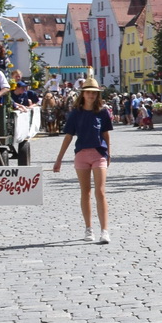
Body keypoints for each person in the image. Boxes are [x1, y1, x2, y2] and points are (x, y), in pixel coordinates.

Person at [52, 79, 114, 243]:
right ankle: (89, 229)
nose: (91, 95)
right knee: (85, 192)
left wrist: (109, 153)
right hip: (81, 155)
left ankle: (105, 231)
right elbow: (68, 137)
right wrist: (59, 159)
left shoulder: (103, 112)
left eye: (94, 93)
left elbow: (106, 134)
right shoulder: (75, 113)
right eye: (88, 92)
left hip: (99, 153)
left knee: (100, 191)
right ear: (83, 94)